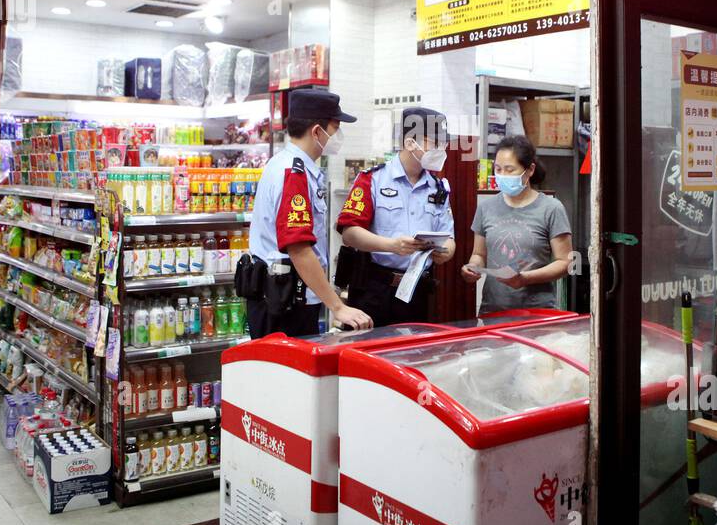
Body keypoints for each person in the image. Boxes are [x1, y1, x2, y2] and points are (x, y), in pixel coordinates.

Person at [238, 88, 373, 338]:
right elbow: (299, 248)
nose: (338, 135)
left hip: (285, 296)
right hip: (284, 304)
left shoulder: (288, 165)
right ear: (316, 131)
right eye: (335, 128)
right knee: (287, 375)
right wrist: (337, 306)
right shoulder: (294, 174)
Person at [335, 107, 456, 325]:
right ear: (410, 143)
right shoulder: (372, 179)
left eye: (444, 144)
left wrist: (446, 252)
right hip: (375, 289)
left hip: (418, 291)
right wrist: (391, 245)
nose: (441, 150)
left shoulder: (438, 188)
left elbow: (449, 237)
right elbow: (349, 233)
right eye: (434, 143)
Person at [462, 134, 572, 313]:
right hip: (492, 309)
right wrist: (472, 268)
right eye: (498, 169)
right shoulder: (486, 208)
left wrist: (525, 278)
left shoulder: (551, 208)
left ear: (529, 170)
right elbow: (479, 254)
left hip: (537, 310)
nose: (502, 175)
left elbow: (565, 262)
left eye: (509, 169)